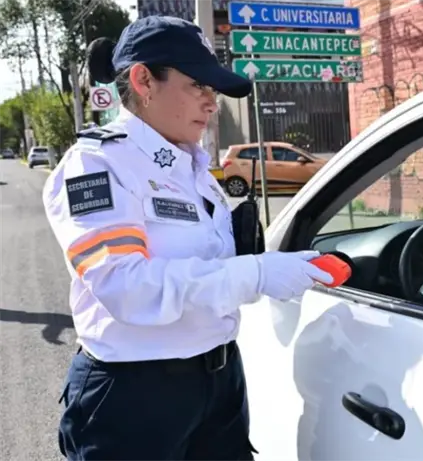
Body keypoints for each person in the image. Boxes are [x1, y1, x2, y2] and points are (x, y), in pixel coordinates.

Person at [42, 16, 333, 461]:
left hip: (218, 380)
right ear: (143, 80)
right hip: (136, 395)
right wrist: (254, 273)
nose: (211, 103)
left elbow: (207, 262)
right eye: (198, 85)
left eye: (213, 89)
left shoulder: (192, 166)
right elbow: (126, 287)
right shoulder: (97, 166)